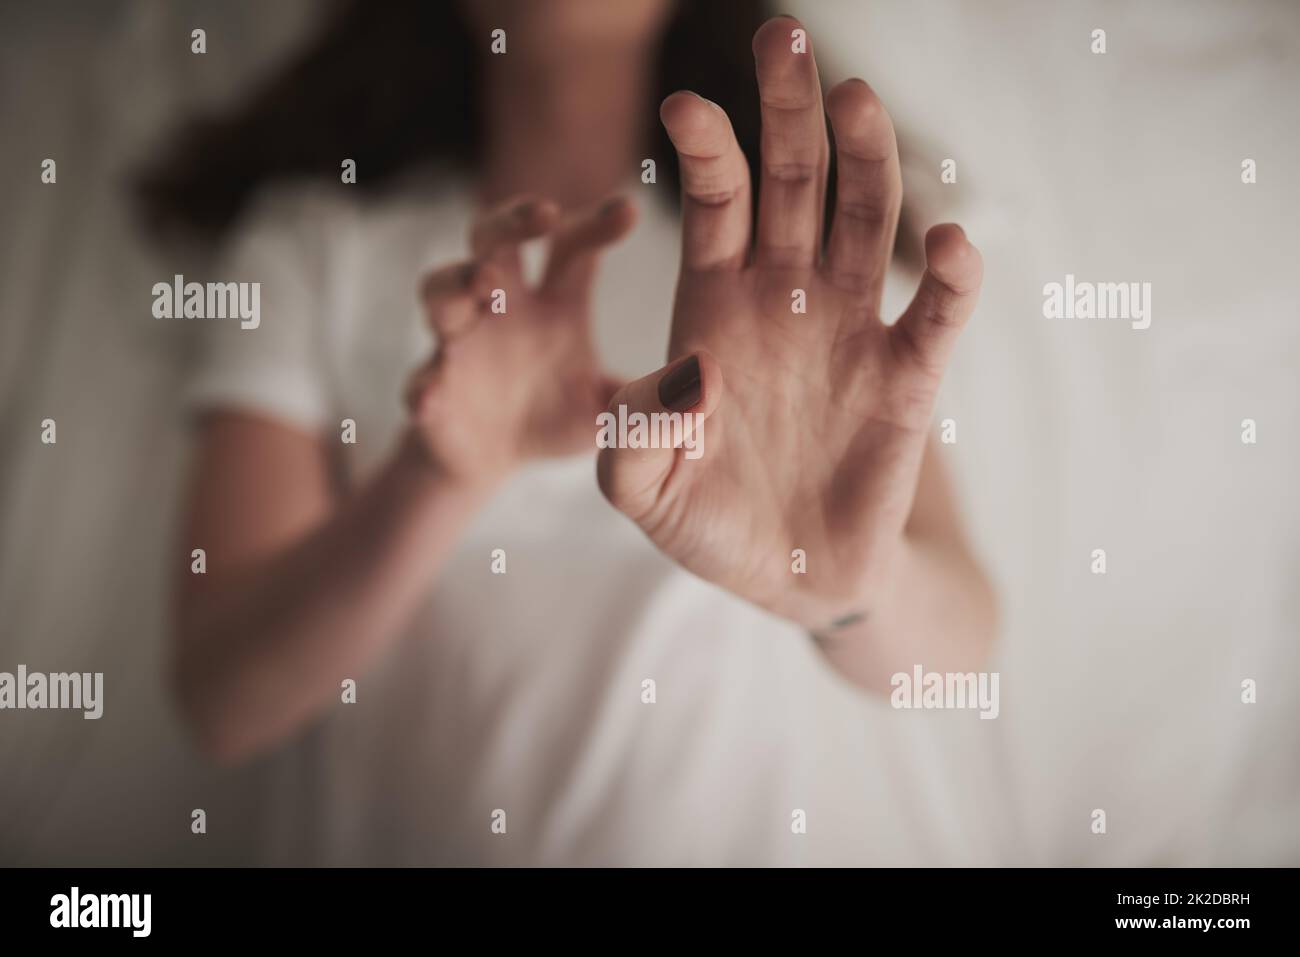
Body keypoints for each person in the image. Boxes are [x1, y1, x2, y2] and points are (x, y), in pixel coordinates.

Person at [146, 0, 996, 865]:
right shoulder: (314, 242)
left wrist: (845, 587)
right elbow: (221, 701)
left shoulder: (791, 268)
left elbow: (955, 653)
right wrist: (437, 476)